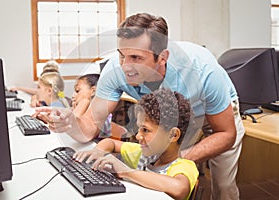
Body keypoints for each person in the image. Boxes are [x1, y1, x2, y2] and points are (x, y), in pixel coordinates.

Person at [36, 13, 245, 200]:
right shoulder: (115, 71)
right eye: (121, 55)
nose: (125, 66)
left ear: (162, 58)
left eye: (136, 57)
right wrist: (70, 122)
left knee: (222, 186)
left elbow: (226, 133)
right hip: (166, 122)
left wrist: (172, 161)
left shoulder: (201, 70)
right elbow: (89, 127)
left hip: (211, 115)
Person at [73, 88, 199, 200]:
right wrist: (98, 152)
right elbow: (109, 142)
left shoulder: (184, 166)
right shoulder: (144, 154)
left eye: (145, 130)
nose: (138, 136)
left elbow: (179, 188)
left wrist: (125, 171)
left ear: (173, 135)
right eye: (139, 129)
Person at [71, 73, 128, 142]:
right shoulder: (84, 112)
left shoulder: (102, 116)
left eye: (77, 91)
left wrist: (83, 102)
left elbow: (76, 129)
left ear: (93, 91)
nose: (73, 96)